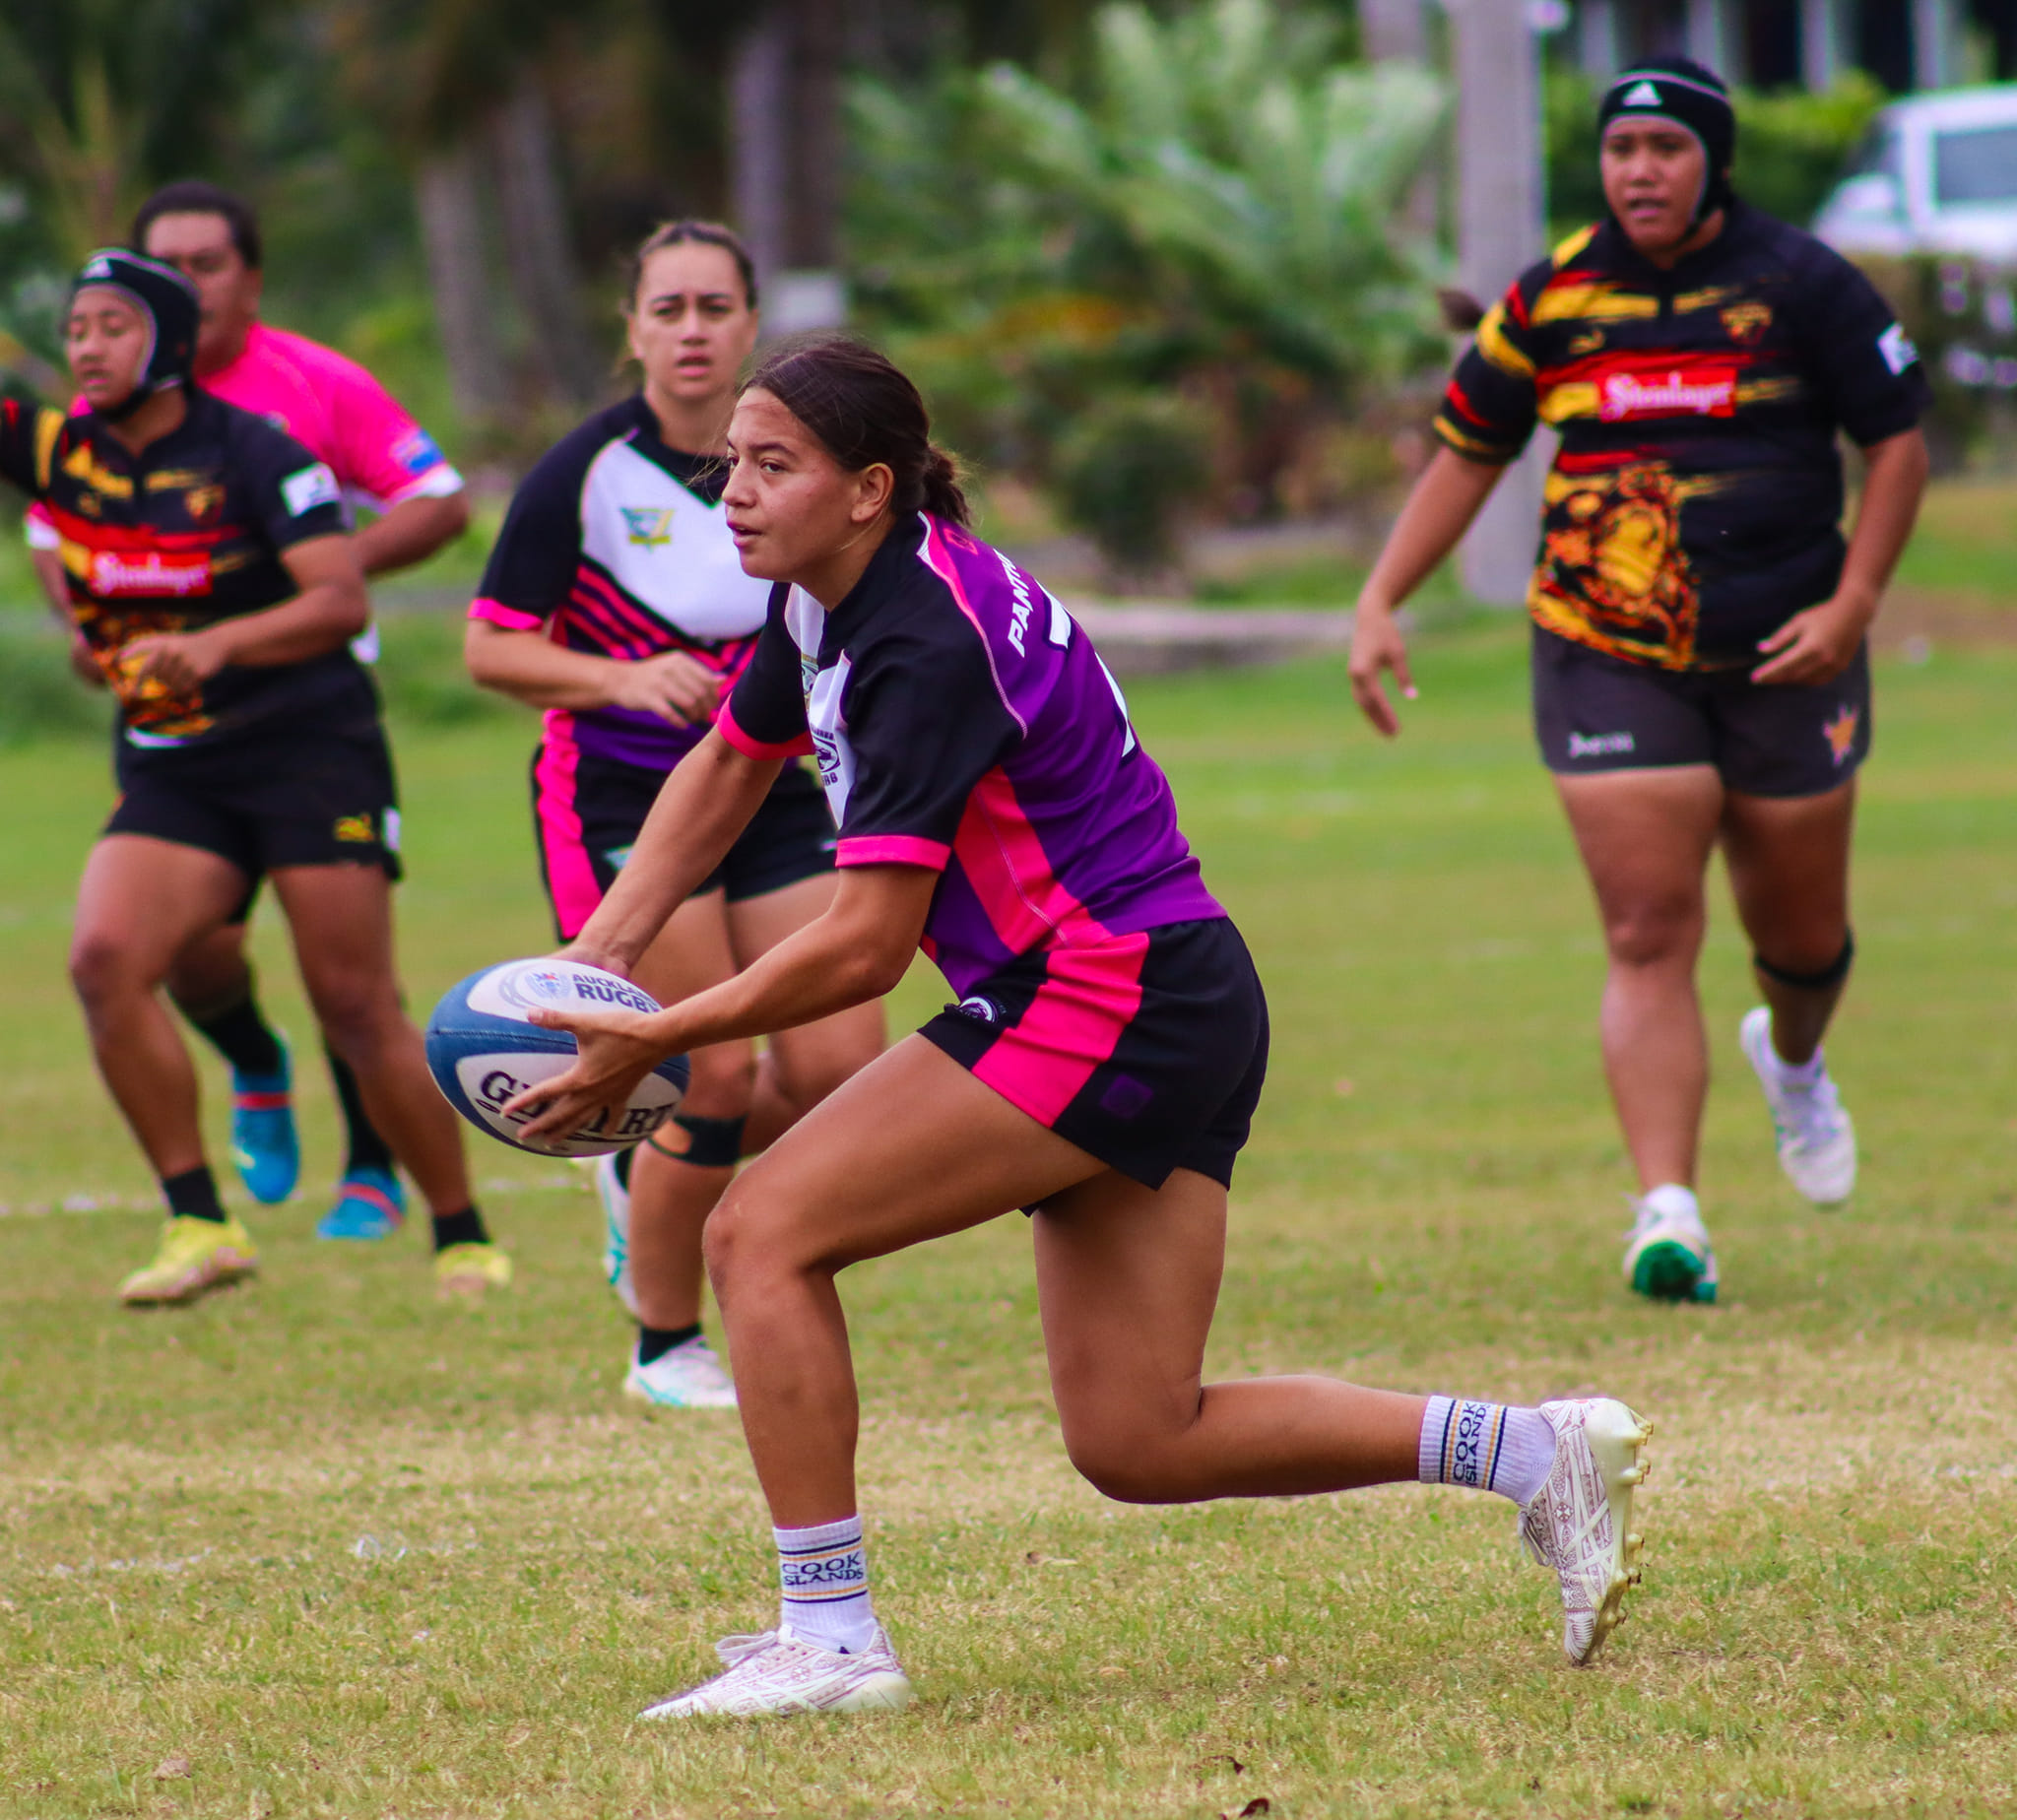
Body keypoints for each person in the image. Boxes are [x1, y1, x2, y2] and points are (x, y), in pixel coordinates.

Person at [497, 333, 1654, 1716]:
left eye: (771, 465)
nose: (733, 494)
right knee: (1138, 1437)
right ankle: (1536, 1453)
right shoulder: (834, 596)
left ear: (870, 487)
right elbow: (727, 765)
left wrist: (659, 1033)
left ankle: (834, 1639)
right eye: (730, 464)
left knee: (758, 1234)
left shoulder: (922, 642)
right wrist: (602, 956)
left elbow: (864, 947)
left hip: (1105, 993)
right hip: (1165, 992)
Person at [1348, 60, 1930, 1305]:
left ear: (1710, 162)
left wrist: (1853, 604)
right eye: (1621, 151)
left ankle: (1791, 1058)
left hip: (1790, 653)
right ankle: (1666, 1213)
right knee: (1645, 929)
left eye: (1665, 148)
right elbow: (1466, 452)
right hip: (1606, 648)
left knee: (1798, 938)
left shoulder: (1798, 283)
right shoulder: (1553, 297)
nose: (1639, 171)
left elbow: (1896, 442)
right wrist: (1379, 597)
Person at [0, 249, 507, 1304]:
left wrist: (220, 644)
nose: (86, 346)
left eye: (112, 326)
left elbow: (337, 602)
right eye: (77, 329)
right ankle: (198, 1223)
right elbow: (84, 568)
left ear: (170, 344)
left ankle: (462, 1232)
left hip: (308, 750)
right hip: (177, 761)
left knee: (356, 1004)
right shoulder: (61, 455)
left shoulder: (258, 452)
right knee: (104, 959)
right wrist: (96, 639)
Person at [465, 223, 883, 1406]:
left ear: (753, 323)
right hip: (618, 793)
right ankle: (662, 1342)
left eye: (714, 307)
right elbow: (487, 647)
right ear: (632, 329)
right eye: (668, 309)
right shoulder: (584, 474)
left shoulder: (803, 462)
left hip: (773, 784)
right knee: (703, 1071)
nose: (692, 330)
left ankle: (637, 1156)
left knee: (841, 1070)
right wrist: (616, 679)